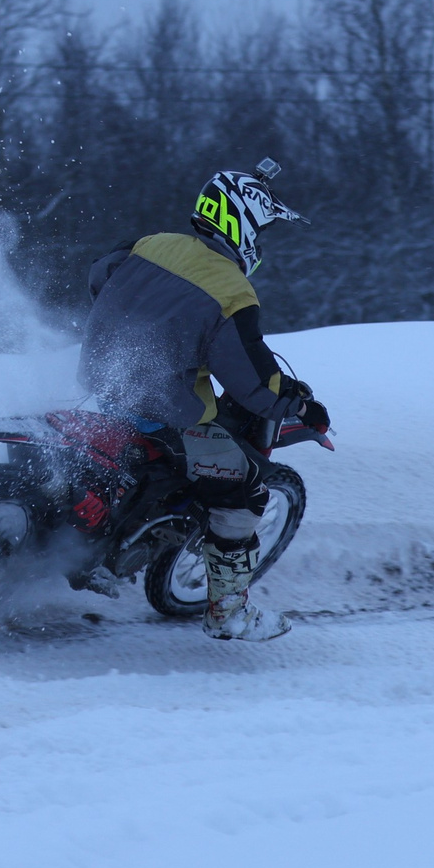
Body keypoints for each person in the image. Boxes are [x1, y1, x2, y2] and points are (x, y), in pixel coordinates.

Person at [79, 161, 329, 640]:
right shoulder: (231, 289)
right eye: (262, 229)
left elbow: (98, 276)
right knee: (243, 489)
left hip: (104, 386)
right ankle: (228, 612)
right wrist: (300, 406)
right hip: (164, 411)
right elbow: (254, 383)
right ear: (245, 223)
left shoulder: (150, 244)